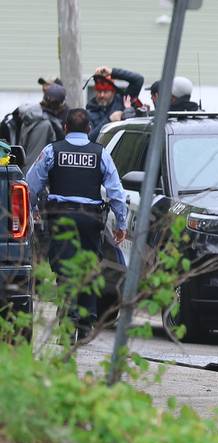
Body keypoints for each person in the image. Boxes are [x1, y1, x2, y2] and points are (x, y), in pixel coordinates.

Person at [26, 108, 128, 339]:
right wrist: (121, 224)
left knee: (63, 269)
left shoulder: (52, 151)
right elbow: (116, 193)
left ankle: (68, 317)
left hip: (61, 219)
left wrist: (32, 210)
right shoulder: (100, 154)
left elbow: (31, 185)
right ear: (89, 129)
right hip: (91, 220)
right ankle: (84, 322)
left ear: (65, 128)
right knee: (89, 267)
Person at [86, 65, 145, 141]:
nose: (102, 95)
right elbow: (90, 139)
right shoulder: (89, 111)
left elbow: (138, 79)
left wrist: (112, 72)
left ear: (113, 92)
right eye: (99, 91)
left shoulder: (124, 100)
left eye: (106, 91)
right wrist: (109, 120)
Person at [18, 84, 67, 174]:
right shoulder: (45, 124)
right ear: (57, 105)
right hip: (33, 177)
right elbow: (35, 158)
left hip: (23, 171)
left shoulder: (31, 117)